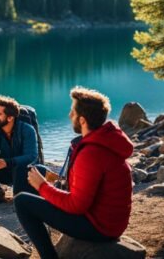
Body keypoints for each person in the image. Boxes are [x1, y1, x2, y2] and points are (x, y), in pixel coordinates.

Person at [14, 87, 133, 259]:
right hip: (109, 221)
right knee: (41, 181)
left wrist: (42, 186)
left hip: (99, 227)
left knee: (22, 201)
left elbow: (77, 206)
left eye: (73, 111)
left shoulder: (91, 153)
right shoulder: (106, 140)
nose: (70, 115)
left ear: (83, 120)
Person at [0, 95, 38, 205]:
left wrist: (8, 162)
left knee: (19, 166)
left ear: (10, 117)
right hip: (3, 169)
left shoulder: (28, 130)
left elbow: (32, 156)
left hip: (23, 173)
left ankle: (19, 198)